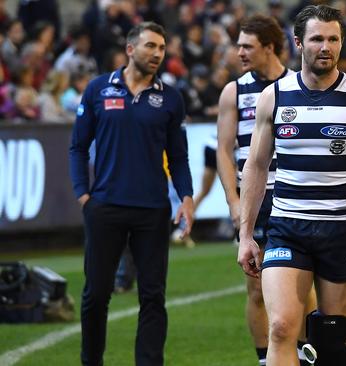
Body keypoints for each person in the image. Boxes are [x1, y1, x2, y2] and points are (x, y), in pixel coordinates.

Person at [237, 5, 346, 366]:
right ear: (298, 43)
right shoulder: (275, 96)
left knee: (333, 339)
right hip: (287, 229)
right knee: (280, 327)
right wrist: (246, 234)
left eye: (333, 39)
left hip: (341, 231)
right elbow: (257, 166)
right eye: (317, 39)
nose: (326, 46)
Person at [69, 21, 193, 366]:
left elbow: (179, 156)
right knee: (95, 296)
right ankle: (90, 361)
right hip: (104, 206)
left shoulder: (171, 99)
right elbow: (78, 147)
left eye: (162, 48)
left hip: (152, 211)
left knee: (153, 297)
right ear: (129, 49)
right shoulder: (97, 90)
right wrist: (83, 195)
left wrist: (185, 197)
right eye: (150, 46)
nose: (157, 54)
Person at [216, 14, 317, 366]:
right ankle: (265, 357)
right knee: (257, 287)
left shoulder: (297, 84)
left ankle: (307, 352)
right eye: (238, 45)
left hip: (292, 195)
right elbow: (225, 152)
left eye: (247, 46)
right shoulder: (235, 91)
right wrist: (234, 200)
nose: (239, 52)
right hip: (255, 200)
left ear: (269, 47)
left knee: (304, 283)